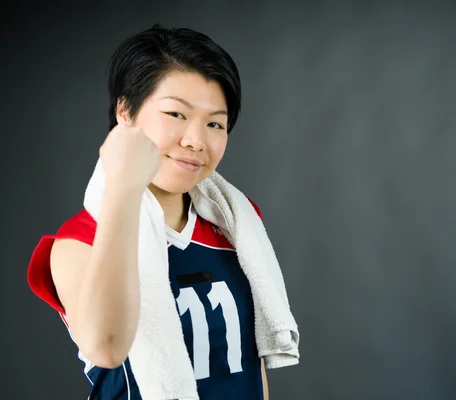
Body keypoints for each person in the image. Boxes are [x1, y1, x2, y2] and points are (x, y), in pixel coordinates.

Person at [27, 24, 294, 400]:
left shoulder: (238, 226)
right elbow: (106, 348)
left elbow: (251, 364)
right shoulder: (80, 240)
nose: (195, 141)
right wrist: (122, 184)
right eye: (176, 114)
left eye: (215, 123)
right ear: (125, 111)